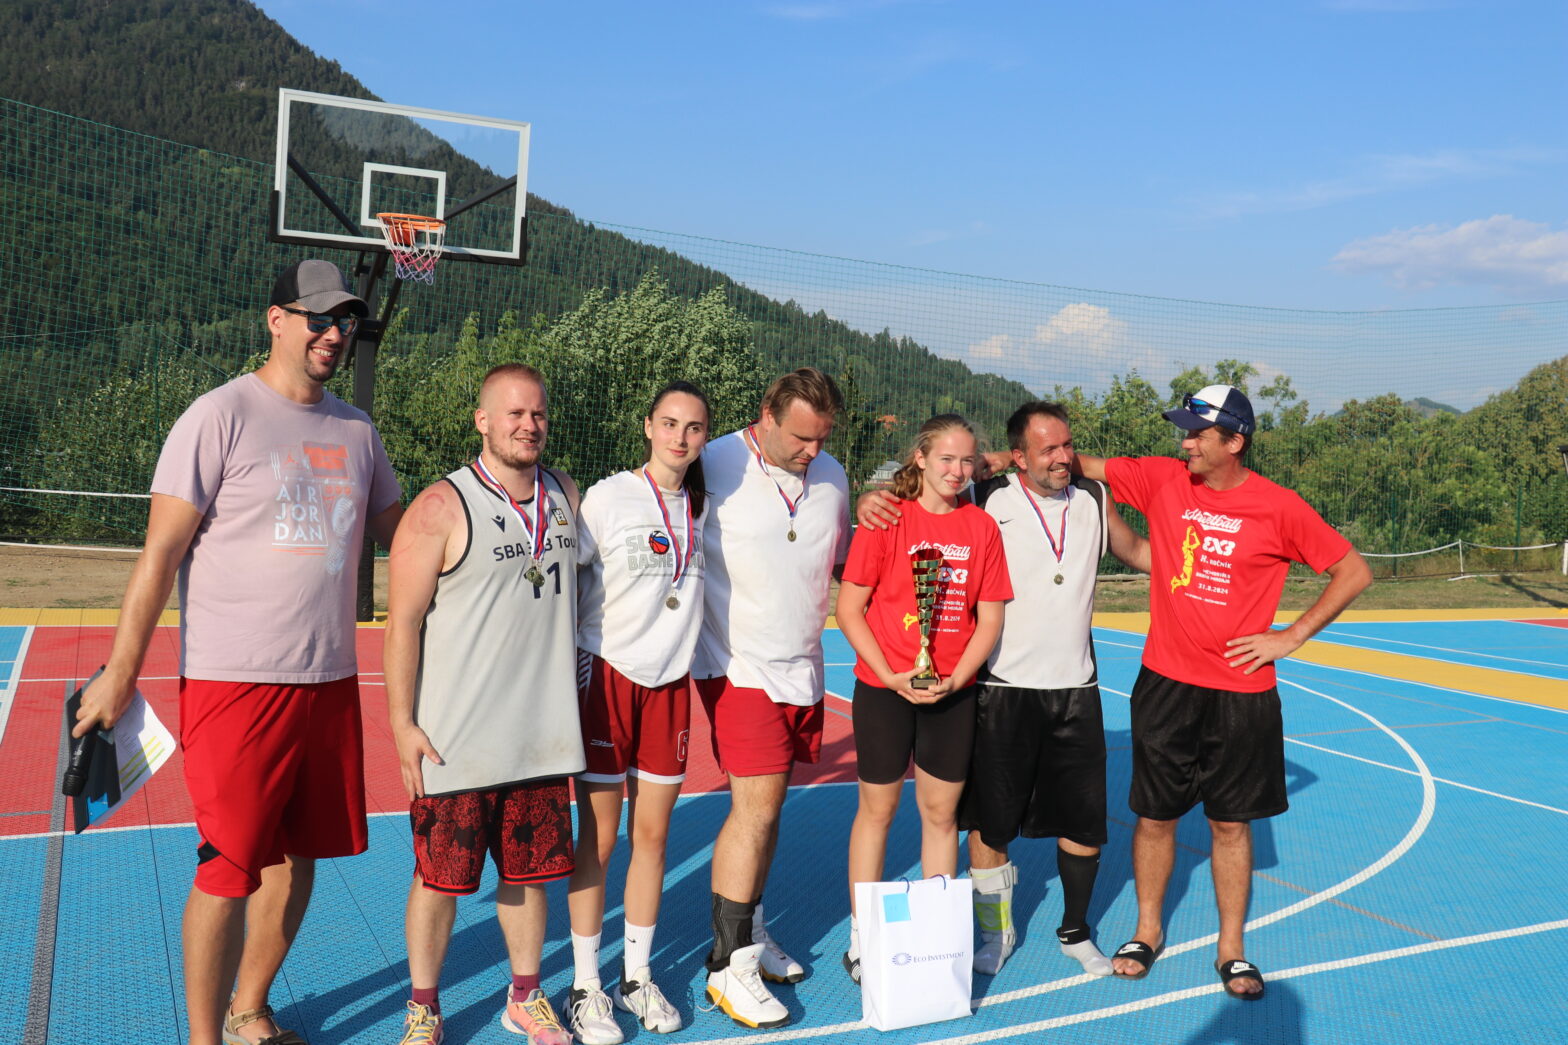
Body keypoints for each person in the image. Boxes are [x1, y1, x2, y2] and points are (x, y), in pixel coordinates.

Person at [72, 260, 402, 1045]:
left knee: (301, 857)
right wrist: (120, 672)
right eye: (317, 318)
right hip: (236, 684)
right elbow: (159, 555)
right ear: (275, 320)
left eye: (343, 320)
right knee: (228, 865)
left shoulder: (359, 431)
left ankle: (249, 1008)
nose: (333, 333)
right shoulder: (219, 415)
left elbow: (410, 537)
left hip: (329, 682)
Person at [1077, 384, 1371, 1000]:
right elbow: (1076, 461)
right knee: (1154, 816)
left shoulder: (1280, 507)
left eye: (1197, 434)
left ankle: (1231, 948)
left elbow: (1353, 570)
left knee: (1231, 825)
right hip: (1165, 681)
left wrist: (1292, 636)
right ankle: (1147, 931)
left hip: (1241, 693)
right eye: (1185, 432)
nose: (1185, 443)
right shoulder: (1165, 479)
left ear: (1234, 442)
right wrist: (994, 461)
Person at [860, 401, 1150, 979]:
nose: (1063, 457)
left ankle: (1076, 931)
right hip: (1002, 687)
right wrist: (874, 498)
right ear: (1018, 456)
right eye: (1048, 449)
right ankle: (995, 932)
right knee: (989, 824)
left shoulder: (1094, 498)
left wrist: (1208, 570)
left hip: (1076, 688)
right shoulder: (987, 496)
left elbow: (1139, 552)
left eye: (1067, 445)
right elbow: (932, 485)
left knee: (1083, 823)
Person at [383, 364, 584, 1045]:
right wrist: (402, 724)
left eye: (538, 413)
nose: (529, 425)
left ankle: (526, 996)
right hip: (456, 741)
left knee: (530, 877)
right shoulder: (440, 506)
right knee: (439, 880)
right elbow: (402, 622)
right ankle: (423, 1007)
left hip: (540, 737)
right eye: (514, 414)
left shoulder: (566, 494)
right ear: (483, 421)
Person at [692, 367, 851, 1029]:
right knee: (753, 810)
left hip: (802, 667)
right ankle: (726, 966)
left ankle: (752, 935)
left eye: (822, 439)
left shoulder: (833, 476)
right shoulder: (712, 462)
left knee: (770, 809)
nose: (812, 451)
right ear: (766, 415)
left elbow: (843, 563)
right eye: (800, 438)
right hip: (737, 665)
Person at [836, 414, 1011, 983]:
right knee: (878, 812)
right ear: (920, 458)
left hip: (951, 693)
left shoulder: (981, 528)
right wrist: (890, 676)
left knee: (940, 817)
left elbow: (989, 619)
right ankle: (863, 937)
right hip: (884, 689)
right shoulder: (887, 519)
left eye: (966, 461)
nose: (957, 471)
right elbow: (849, 610)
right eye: (946, 459)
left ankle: (937, 936)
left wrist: (956, 680)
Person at [563, 381, 711, 1044]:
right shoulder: (608, 497)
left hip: (669, 686)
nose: (680, 437)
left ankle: (636, 976)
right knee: (597, 840)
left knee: (651, 838)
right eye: (670, 423)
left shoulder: (706, 506)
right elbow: (566, 577)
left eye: (694, 427)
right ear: (648, 426)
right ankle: (584, 985)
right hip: (608, 677)